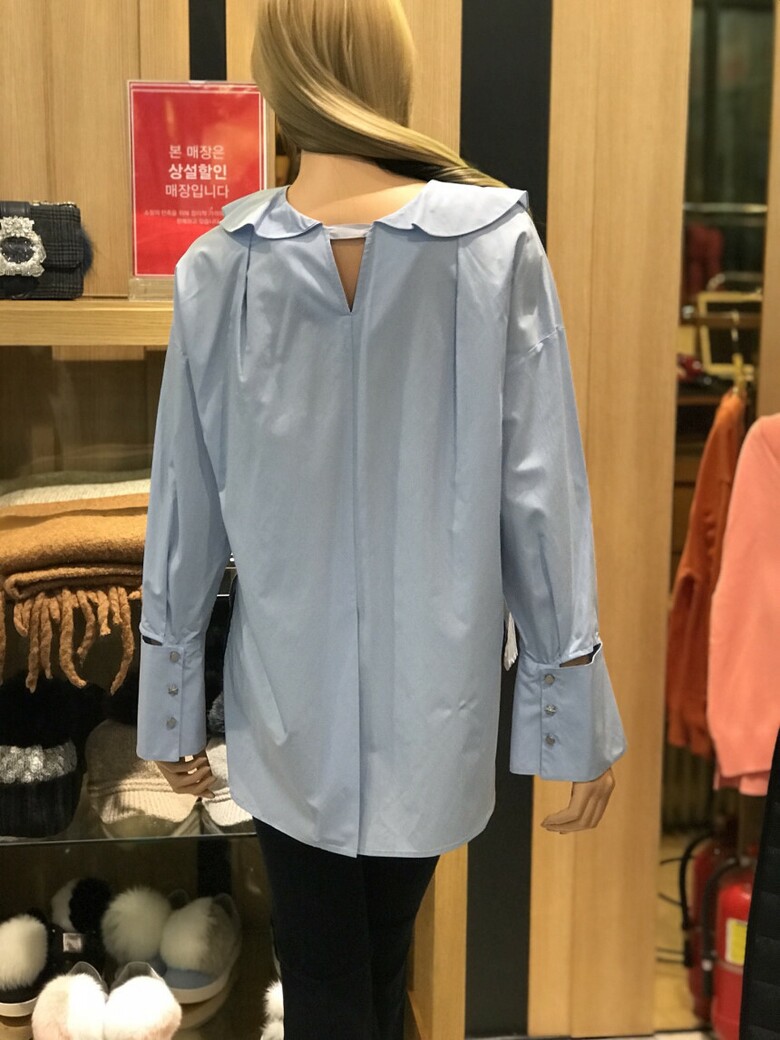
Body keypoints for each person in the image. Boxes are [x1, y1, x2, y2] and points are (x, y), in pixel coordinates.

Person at [136, 0, 628, 1036]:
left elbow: (185, 500)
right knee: (368, 968)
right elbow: (541, 491)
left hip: (287, 714)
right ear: (388, 72)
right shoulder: (494, 248)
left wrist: (171, 696)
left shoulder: (221, 268)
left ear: (279, 76)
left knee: (332, 976)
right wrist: (568, 697)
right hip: (436, 709)